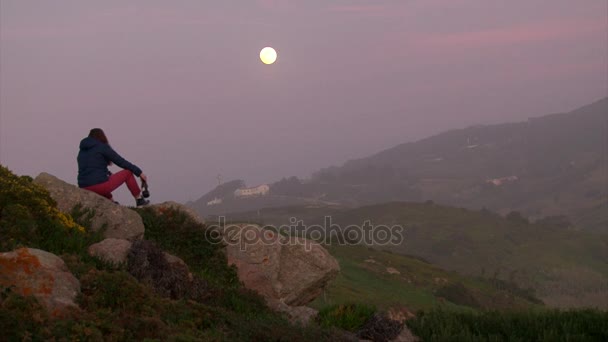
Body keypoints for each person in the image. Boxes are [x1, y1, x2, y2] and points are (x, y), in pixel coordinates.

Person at [77, 128, 150, 206]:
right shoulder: (102, 146)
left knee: (105, 178)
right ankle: (139, 200)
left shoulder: (82, 152)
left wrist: (107, 173)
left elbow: (91, 169)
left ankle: (111, 202)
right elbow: (121, 161)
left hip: (84, 187)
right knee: (127, 173)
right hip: (98, 187)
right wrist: (139, 173)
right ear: (102, 137)